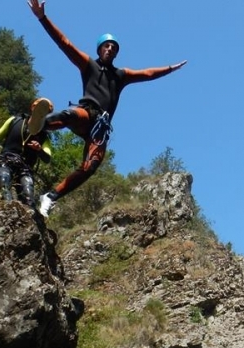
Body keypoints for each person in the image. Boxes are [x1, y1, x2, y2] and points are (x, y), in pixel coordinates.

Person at [27, 0, 188, 217]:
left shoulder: (121, 76)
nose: (110, 48)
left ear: (115, 53)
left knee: (90, 167)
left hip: (100, 129)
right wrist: (42, 18)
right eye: (107, 45)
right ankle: (38, 125)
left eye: (114, 47)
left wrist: (170, 69)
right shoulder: (88, 65)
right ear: (100, 48)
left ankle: (50, 196)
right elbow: (64, 43)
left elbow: (148, 74)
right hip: (87, 113)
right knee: (69, 116)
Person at [0, 98, 54, 208]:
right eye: (38, 109)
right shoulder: (14, 121)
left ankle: (29, 216)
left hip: (25, 168)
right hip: (6, 161)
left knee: (28, 192)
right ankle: (8, 207)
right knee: (3, 179)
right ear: (32, 108)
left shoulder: (44, 136)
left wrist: (39, 149)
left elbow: (47, 158)